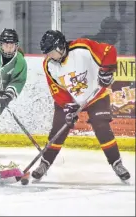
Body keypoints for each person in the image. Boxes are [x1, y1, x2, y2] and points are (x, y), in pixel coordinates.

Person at [32, 30, 130, 182]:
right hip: (70, 99)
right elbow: (56, 89)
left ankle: (116, 163)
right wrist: (67, 105)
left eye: (51, 52)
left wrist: (106, 70)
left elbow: (109, 50)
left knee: (101, 126)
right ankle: (44, 164)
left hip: (96, 96)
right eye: (47, 53)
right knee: (58, 129)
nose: (50, 56)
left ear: (60, 46)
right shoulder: (49, 65)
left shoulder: (82, 47)